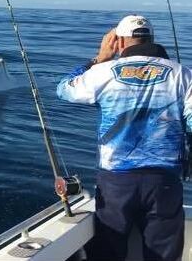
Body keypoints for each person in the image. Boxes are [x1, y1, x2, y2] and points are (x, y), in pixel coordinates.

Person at [56, 15, 189, 261]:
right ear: (151, 38)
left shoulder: (103, 72)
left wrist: (99, 59)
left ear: (118, 42)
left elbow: (64, 89)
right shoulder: (183, 75)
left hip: (116, 182)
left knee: (107, 252)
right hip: (165, 182)